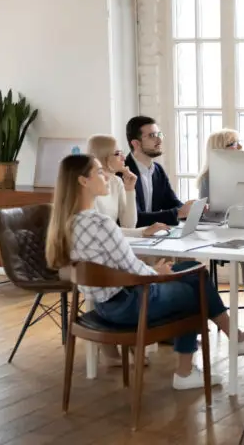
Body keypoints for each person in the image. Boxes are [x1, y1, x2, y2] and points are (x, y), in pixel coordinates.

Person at [45, 154, 244, 389]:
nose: (106, 177)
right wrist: (159, 272)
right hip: (128, 306)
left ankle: (235, 340)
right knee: (195, 288)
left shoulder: (69, 223)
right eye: (99, 172)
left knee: (193, 270)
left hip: (104, 306)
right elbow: (135, 270)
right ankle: (189, 370)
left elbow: (119, 265)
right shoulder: (100, 224)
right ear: (83, 181)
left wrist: (155, 268)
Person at [87, 134, 171, 367]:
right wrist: (142, 232)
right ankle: (124, 335)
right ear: (103, 157)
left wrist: (130, 189)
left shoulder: (115, 182)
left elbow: (127, 223)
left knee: (144, 261)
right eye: (117, 153)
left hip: (112, 243)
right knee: (134, 267)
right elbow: (103, 230)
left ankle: (136, 333)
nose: (123, 157)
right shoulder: (90, 187)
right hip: (96, 253)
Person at [196, 129, 244, 288]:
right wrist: (233, 216)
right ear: (219, 148)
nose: (240, 147)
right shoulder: (207, 178)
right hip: (226, 231)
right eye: (233, 143)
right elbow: (206, 214)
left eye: (239, 142)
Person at [125, 116, 197, 227]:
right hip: (132, 235)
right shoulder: (123, 173)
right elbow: (136, 219)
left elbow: (171, 202)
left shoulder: (158, 170)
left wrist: (193, 210)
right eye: (152, 136)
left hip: (154, 234)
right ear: (136, 144)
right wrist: (178, 213)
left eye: (159, 134)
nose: (159, 140)